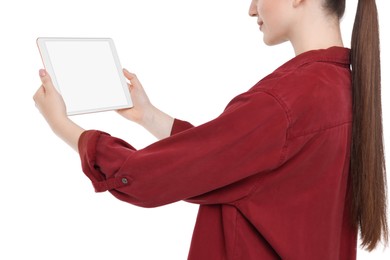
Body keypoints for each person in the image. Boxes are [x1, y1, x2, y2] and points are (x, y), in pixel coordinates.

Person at [33, 0, 388, 259]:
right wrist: (149, 116)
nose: (251, 10)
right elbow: (234, 163)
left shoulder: (284, 101)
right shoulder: (344, 86)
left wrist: (63, 126)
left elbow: (143, 177)